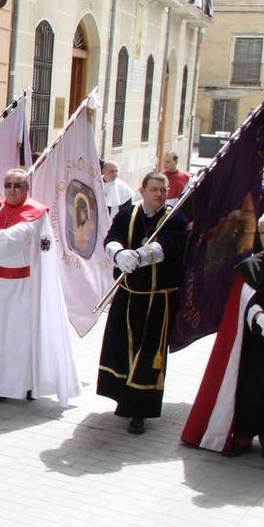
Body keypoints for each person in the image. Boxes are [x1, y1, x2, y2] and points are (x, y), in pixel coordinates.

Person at [181, 212, 264, 459]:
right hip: (253, 342)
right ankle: (242, 438)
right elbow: (243, 300)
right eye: (263, 234)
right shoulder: (251, 265)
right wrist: (259, 318)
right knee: (247, 388)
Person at [0, 169, 79, 405]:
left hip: (23, 286)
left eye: (17, 186)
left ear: (27, 189)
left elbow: (14, 238)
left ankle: (28, 385)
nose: (11, 190)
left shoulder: (35, 213)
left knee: (21, 339)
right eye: (8, 185)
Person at [96, 173, 189, 435]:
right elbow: (111, 237)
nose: (159, 194)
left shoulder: (175, 218)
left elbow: (167, 247)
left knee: (148, 353)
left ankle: (139, 411)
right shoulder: (128, 214)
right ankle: (123, 397)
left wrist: (139, 256)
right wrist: (118, 253)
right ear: (143, 190)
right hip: (128, 295)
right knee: (122, 348)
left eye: (163, 190)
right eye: (154, 189)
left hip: (159, 298)